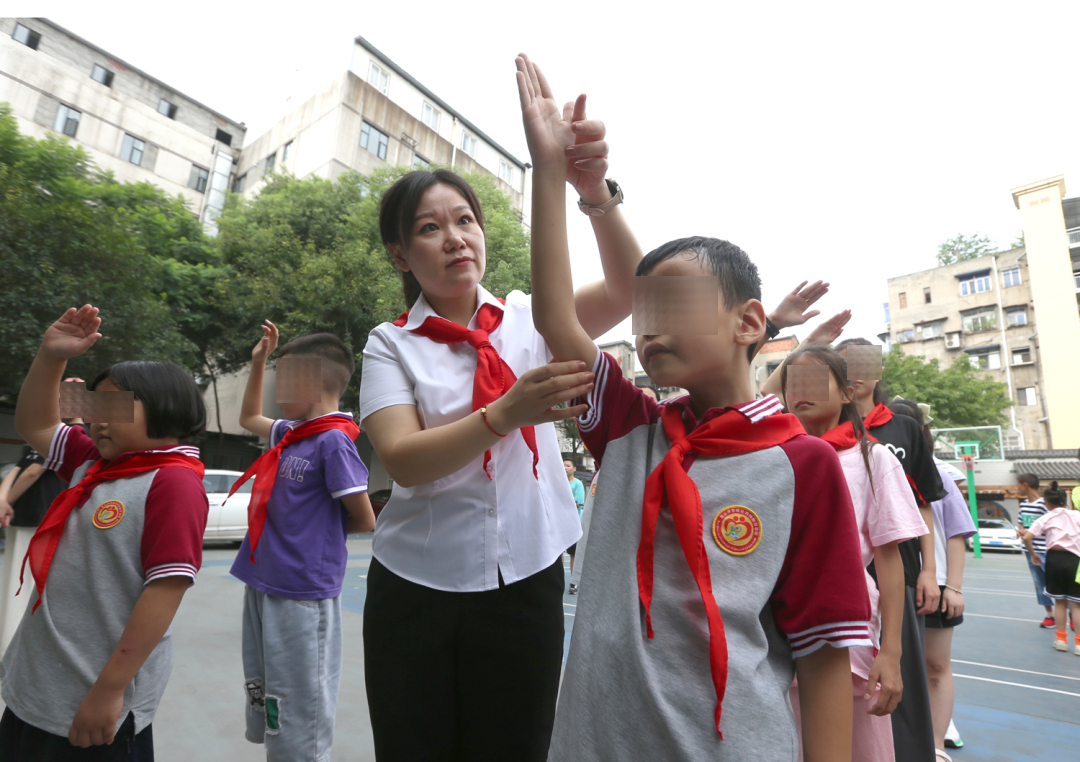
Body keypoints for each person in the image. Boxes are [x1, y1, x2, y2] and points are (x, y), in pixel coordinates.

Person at [517, 54, 874, 761]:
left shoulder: (804, 465)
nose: (649, 328)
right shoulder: (631, 432)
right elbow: (558, 319)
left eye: (672, 306)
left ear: (749, 323)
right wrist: (553, 174)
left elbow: (826, 653)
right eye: (643, 313)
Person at [358, 81, 642, 761]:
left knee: (515, 746)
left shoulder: (531, 318)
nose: (456, 239)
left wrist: (592, 191)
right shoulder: (390, 343)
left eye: (465, 220)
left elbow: (637, 289)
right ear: (401, 254)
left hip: (526, 581)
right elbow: (403, 458)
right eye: (430, 228)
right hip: (415, 586)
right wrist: (505, 413)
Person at [1, 304, 209, 760]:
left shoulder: (172, 481)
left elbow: (165, 590)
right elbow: (34, 423)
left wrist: (109, 690)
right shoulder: (94, 463)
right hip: (37, 687)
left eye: (113, 406)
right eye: (94, 407)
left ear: (162, 406)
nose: (97, 418)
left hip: (93, 702)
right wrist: (52, 355)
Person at [228, 323, 374, 761]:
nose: (279, 390)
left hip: (301, 591)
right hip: (263, 580)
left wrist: (310, 539)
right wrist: (257, 363)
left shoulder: (332, 441)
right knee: (265, 688)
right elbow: (248, 418)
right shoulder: (293, 433)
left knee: (298, 706)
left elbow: (363, 517)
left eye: (285, 379)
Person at [783, 346, 926, 762]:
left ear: (848, 393)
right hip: (775, 626)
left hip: (848, 629)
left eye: (813, 380)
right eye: (792, 383)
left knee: (856, 748)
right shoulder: (772, 458)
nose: (800, 392)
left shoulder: (872, 458)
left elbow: (888, 561)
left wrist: (891, 653)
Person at [889, 399, 976, 762]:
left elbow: (956, 533)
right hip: (894, 583)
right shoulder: (871, 461)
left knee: (936, 666)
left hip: (935, 584)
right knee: (895, 666)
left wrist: (952, 586)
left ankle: (937, 745)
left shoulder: (938, 473)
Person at [0, 379, 87, 655]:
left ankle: (12, 645)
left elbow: (31, 472)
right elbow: (18, 468)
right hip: (28, 515)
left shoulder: (72, 435)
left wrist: (6, 501)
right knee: (19, 578)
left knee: (23, 581)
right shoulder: (49, 433)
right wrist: (3, 499)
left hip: (39, 517)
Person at [1021, 482, 1080, 654]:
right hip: (1075, 561)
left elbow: (1027, 537)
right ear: (1066, 500)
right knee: (1077, 605)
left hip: (1054, 559)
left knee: (1059, 603)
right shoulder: (1077, 515)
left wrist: (1033, 554)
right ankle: (1079, 644)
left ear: (1047, 502)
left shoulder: (1046, 517)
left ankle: (1061, 640)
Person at [1017, 473, 1055, 628]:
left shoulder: (1043, 505)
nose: (1017, 488)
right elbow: (1022, 526)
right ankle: (1050, 616)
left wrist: (1033, 532)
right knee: (1040, 584)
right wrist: (1021, 532)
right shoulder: (1023, 505)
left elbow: (1052, 526)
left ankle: (1072, 614)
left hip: (1047, 551)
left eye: (1018, 485)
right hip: (1030, 550)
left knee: (1057, 583)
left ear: (1025, 485)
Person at [564, 458, 585, 594]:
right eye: (563, 465)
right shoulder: (558, 482)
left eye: (568, 465)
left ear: (574, 469)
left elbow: (577, 503)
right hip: (559, 523)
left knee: (573, 555)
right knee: (557, 553)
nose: (565, 467)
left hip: (573, 524)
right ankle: (558, 581)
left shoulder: (578, 484)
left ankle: (574, 583)